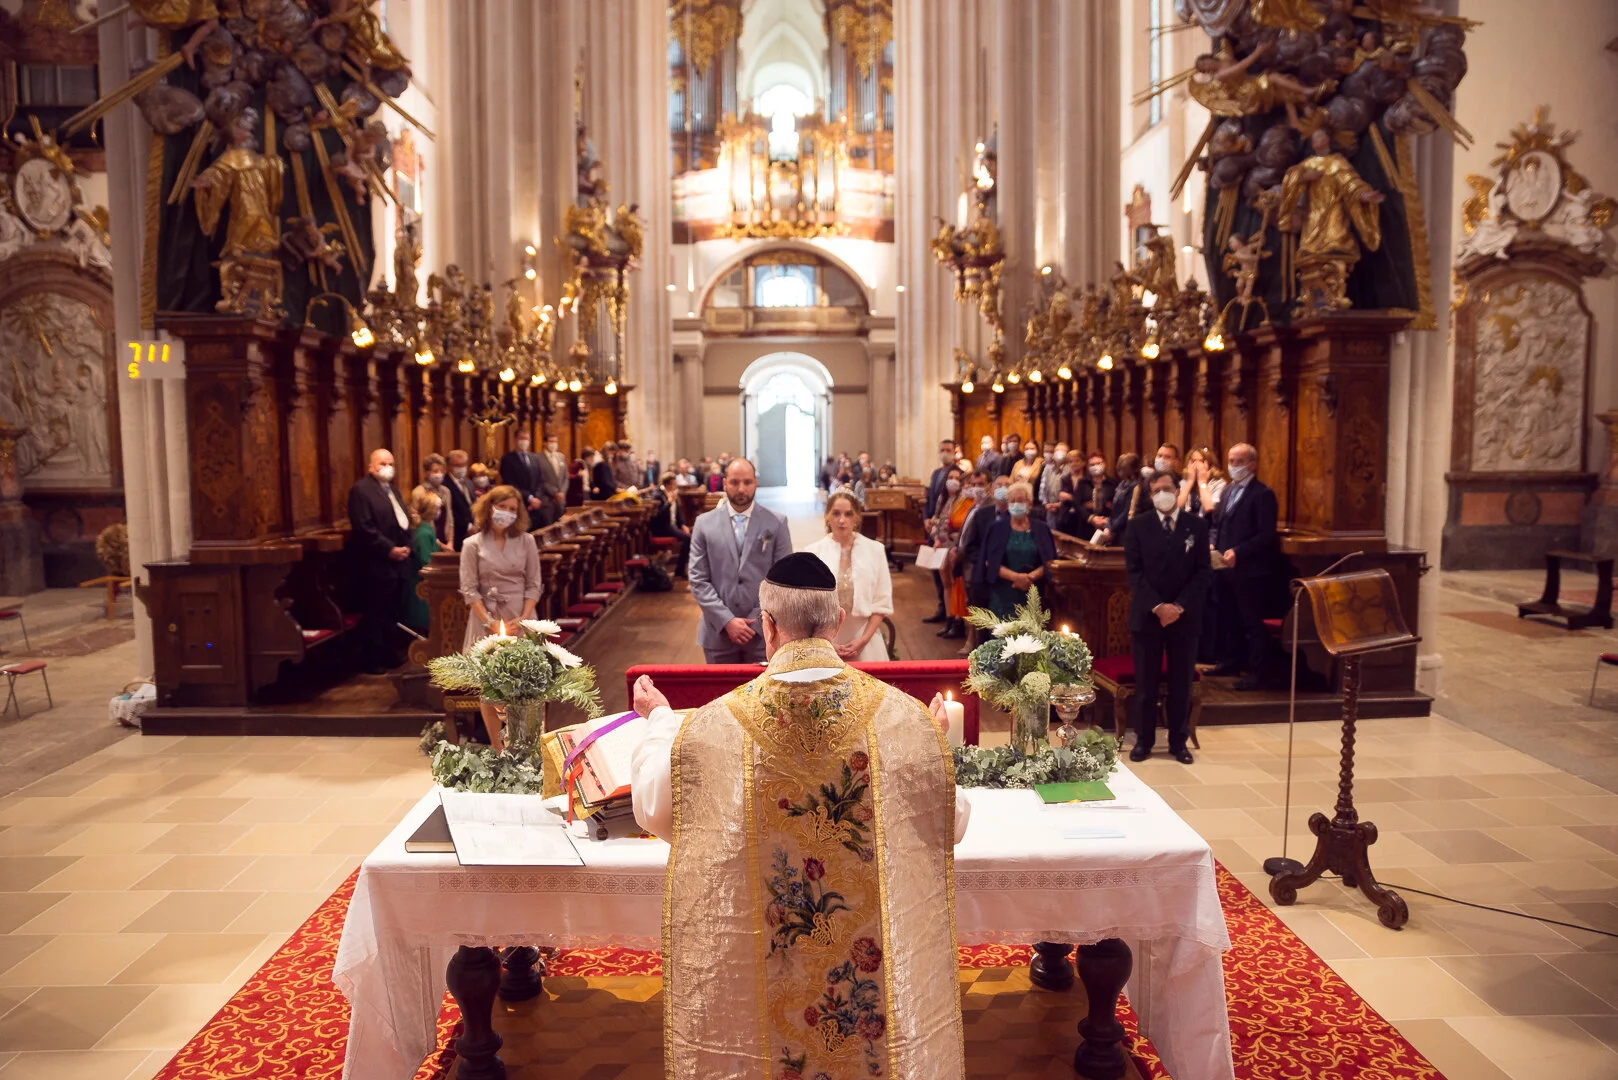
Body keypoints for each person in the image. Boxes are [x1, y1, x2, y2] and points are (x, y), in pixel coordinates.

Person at [629, 552, 969, 1080]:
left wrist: (658, 723)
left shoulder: (717, 726)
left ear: (767, 625)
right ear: (838, 621)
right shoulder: (901, 719)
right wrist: (926, 745)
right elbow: (953, 821)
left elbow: (655, 809)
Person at [1124, 470, 1210, 765]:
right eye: (1156, 490)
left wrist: (1179, 607)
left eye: (1167, 488)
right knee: (1146, 685)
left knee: (1181, 684)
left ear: (1177, 489)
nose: (1162, 494)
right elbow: (1134, 572)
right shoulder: (1138, 526)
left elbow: (1202, 572)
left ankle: (1178, 741)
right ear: (1151, 495)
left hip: (1185, 618)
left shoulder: (1196, 526)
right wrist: (1158, 606)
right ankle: (1144, 740)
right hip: (1148, 616)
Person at [458, 484, 541, 753]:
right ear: (489, 508)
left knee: (526, 684)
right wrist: (489, 622)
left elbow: (534, 585)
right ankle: (498, 750)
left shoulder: (527, 541)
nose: (507, 513)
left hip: (521, 616)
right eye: (502, 507)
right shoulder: (472, 544)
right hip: (486, 618)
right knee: (490, 687)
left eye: (512, 509)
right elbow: (469, 590)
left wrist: (524, 618)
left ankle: (527, 746)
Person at [687, 457, 794, 663]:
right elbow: (698, 579)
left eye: (747, 482)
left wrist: (756, 620)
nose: (741, 488)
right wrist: (727, 620)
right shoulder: (704, 524)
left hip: (763, 634)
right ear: (725, 483)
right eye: (735, 482)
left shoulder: (776, 522)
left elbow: (784, 580)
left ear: (756, 483)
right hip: (717, 632)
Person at [1213, 443, 1284, 690]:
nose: (1234, 466)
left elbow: (1266, 535)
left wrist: (1239, 552)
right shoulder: (1228, 490)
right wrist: (1214, 544)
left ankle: (1258, 672)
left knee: (1251, 622)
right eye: (1231, 461)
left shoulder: (1262, 494)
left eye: (1239, 461)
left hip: (1250, 570)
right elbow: (1219, 524)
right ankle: (1232, 661)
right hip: (1224, 567)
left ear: (1252, 464)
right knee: (1229, 617)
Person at [805, 490, 894, 661]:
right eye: (836, 513)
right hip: (825, 641)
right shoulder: (813, 552)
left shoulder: (875, 550)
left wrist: (863, 640)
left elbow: (881, 602)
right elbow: (808, 607)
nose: (841, 520)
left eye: (848, 514)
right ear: (827, 517)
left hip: (865, 638)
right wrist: (826, 641)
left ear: (857, 518)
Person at [345, 449, 412, 674]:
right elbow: (363, 526)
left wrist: (406, 546)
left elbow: (402, 520)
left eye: (391, 463)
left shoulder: (392, 489)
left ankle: (391, 653)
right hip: (376, 562)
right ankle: (373, 659)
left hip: (398, 561)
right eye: (382, 463)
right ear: (371, 467)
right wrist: (389, 549)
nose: (387, 467)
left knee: (393, 611)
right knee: (376, 611)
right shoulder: (361, 490)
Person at [979, 480, 1057, 620]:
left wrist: (1029, 578)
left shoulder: (1042, 528)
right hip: (1003, 595)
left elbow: (1049, 561)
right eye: (1012, 501)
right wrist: (1017, 578)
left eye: (1020, 500)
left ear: (1030, 504)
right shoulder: (996, 528)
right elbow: (990, 562)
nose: (1016, 504)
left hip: (1033, 592)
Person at [931, 466, 976, 640]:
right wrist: (937, 537)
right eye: (951, 477)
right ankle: (950, 620)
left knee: (956, 584)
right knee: (946, 584)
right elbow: (942, 521)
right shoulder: (952, 500)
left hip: (955, 547)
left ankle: (958, 622)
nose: (955, 482)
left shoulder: (968, 502)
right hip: (944, 543)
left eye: (958, 479)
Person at [923, 439, 959, 624]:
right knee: (937, 574)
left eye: (948, 450)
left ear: (954, 452)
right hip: (934, 529)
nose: (944, 453)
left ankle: (951, 614)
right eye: (942, 449)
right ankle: (942, 608)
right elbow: (930, 499)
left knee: (950, 579)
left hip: (948, 537)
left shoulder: (958, 474)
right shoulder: (936, 473)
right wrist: (927, 519)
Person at [403, 489, 442, 633]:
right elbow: (426, 561)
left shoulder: (426, 529)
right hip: (421, 585)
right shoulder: (423, 533)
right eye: (438, 509)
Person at [499, 431, 555, 527]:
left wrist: (537, 498)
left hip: (537, 505)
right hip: (520, 503)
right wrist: (529, 498)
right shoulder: (507, 459)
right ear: (515, 440)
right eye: (522, 438)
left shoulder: (534, 458)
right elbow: (509, 483)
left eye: (526, 439)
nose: (524, 441)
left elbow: (541, 481)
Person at [1058, 450, 1116, 537]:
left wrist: (1106, 520)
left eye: (1098, 463)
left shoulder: (1112, 483)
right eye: (1092, 465)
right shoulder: (1083, 482)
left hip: (1106, 526)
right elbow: (1076, 503)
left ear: (1104, 464)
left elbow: (1115, 505)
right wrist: (1091, 518)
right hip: (1086, 525)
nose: (1095, 467)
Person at [1096, 452, 1143, 545]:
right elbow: (1114, 509)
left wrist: (1111, 528)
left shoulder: (1136, 486)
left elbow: (1126, 513)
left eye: (1123, 469)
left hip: (1125, 531)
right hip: (1115, 528)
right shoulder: (1122, 484)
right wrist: (1108, 525)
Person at [651, 471, 691, 577]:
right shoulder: (657, 495)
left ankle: (682, 568)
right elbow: (658, 516)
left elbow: (677, 513)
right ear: (668, 484)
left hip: (672, 526)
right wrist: (668, 502)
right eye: (674, 483)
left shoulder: (672, 493)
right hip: (662, 527)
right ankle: (680, 570)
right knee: (688, 539)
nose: (676, 485)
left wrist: (683, 525)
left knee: (691, 534)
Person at [411, 454, 453, 547]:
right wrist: (439, 544)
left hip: (444, 538)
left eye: (442, 471)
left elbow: (450, 517)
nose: (439, 474)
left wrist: (450, 542)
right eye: (435, 471)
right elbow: (416, 520)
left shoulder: (446, 491)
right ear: (427, 473)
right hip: (429, 538)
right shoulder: (418, 492)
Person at [1178, 445, 1227, 519]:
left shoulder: (1219, 483)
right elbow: (1177, 507)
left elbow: (1209, 508)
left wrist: (1202, 483)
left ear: (1210, 465)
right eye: (1193, 461)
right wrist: (1190, 482)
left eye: (1201, 461)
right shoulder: (1183, 482)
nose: (1196, 465)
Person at [443, 449, 475, 551]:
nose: (461, 468)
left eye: (464, 465)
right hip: (457, 534)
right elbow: (449, 511)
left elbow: (471, 505)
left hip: (473, 533)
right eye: (457, 465)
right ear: (449, 466)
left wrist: (475, 524)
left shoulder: (469, 482)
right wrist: (468, 526)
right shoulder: (444, 484)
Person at [537, 433, 570, 522]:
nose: (554, 444)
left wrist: (562, 492)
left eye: (555, 442)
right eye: (551, 442)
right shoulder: (537, 458)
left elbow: (566, 477)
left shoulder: (561, 457)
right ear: (544, 443)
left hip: (561, 500)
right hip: (547, 500)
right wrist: (555, 493)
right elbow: (540, 479)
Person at [1038, 442, 1068, 514]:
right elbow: (1042, 489)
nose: (1060, 453)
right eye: (1057, 450)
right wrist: (1046, 504)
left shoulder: (1070, 470)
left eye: (1063, 451)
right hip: (1049, 509)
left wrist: (1057, 505)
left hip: (1066, 510)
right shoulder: (1047, 468)